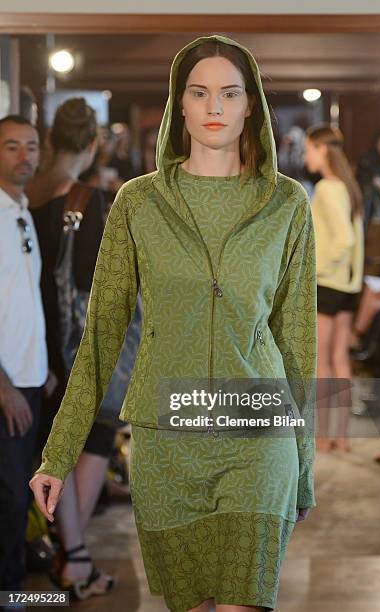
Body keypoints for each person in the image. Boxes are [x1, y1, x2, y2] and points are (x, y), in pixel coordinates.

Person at [30, 35, 317, 612]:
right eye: (200, 92)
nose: (215, 108)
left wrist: (303, 464)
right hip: (169, 439)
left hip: (258, 435)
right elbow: (101, 338)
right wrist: (58, 454)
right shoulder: (137, 204)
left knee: (242, 603)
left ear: (250, 106)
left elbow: (297, 341)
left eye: (230, 93)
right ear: (178, 105)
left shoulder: (286, 204)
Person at [26, 98, 116, 599]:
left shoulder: (24, 193)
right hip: (75, 344)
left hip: (32, 342)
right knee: (98, 437)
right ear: (94, 143)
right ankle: (74, 557)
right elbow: (91, 281)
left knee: (54, 450)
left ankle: (72, 556)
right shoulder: (87, 198)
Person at [0, 115, 48, 594]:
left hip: (30, 378)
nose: (23, 156)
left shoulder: (23, 210)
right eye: (12, 146)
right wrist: (5, 386)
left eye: (31, 147)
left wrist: (43, 366)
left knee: (19, 501)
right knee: (10, 499)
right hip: (6, 386)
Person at [304, 124, 365, 453]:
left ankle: (324, 436)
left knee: (321, 362)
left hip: (328, 283)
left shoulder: (328, 187)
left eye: (308, 148)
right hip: (348, 285)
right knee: (339, 358)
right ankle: (341, 436)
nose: (305, 155)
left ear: (321, 149)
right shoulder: (347, 186)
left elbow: (344, 239)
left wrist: (316, 269)